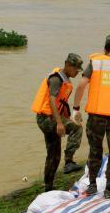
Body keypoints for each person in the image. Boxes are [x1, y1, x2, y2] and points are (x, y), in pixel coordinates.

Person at [72, 35, 110, 199]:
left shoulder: (96, 62)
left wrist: (76, 109)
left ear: (105, 49)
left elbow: (81, 84)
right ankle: (109, 188)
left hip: (96, 116)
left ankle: (92, 185)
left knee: (95, 150)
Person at [31, 53, 84, 191]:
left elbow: (62, 104)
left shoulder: (64, 79)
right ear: (67, 65)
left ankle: (48, 186)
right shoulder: (56, 79)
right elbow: (52, 101)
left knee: (54, 154)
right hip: (47, 119)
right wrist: (60, 123)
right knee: (77, 128)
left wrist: (66, 118)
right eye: (76, 69)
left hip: (48, 118)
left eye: (79, 70)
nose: (77, 72)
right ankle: (69, 162)